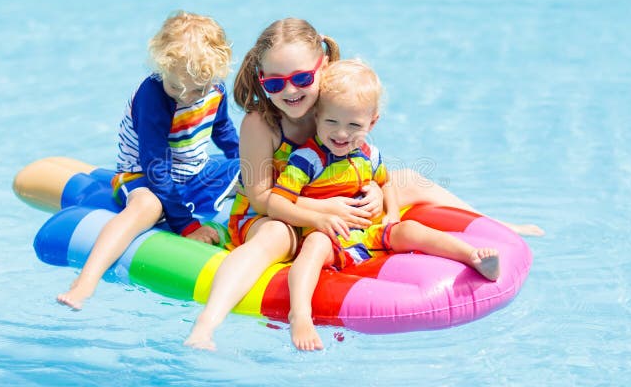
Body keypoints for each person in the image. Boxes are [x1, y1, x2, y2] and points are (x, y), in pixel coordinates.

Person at [184, 18, 542, 350]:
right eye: (275, 83)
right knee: (275, 235)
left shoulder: (335, 107)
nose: (290, 91)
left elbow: (367, 160)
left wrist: (373, 191)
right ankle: (207, 324)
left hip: (336, 207)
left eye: (302, 79)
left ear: (322, 69)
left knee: (409, 179)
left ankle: (499, 224)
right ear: (262, 79)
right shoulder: (261, 124)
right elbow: (262, 198)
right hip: (274, 213)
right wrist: (320, 212)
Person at [267, 59, 500, 351]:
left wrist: (390, 213)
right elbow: (278, 201)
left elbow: (385, 183)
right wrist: (316, 221)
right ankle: (300, 314)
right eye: (331, 122)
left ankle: (473, 257)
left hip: (369, 234)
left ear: (372, 122)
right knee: (314, 245)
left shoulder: (369, 155)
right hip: (331, 236)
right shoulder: (307, 159)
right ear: (316, 116)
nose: (341, 134)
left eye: (353, 125)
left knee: (410, 228)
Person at [57, 11, 240, 309]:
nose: (186, 97)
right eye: (177, 87)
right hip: (145, 177)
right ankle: (85, 281)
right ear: (161, 67)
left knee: (259, 170)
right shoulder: (152, 97)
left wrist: (240, 162)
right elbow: (156, 168)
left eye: (196, 90)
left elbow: (223, 130)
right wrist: (187, 226)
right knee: (148, 206)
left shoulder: (213, 88)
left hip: (193, 173)